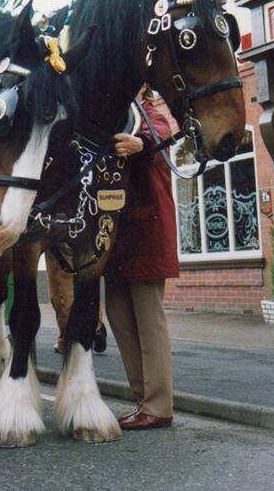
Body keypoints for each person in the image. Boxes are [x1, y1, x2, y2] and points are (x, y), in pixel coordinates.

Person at [104, 87, 178, 431]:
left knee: (149, 322)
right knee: (118, 317)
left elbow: (158, 135)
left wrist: (140, 144)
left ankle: (158, 406)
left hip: (145, 232)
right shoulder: (114, 110)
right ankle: (143, 399)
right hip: (118, 238)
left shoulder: (148, 111)